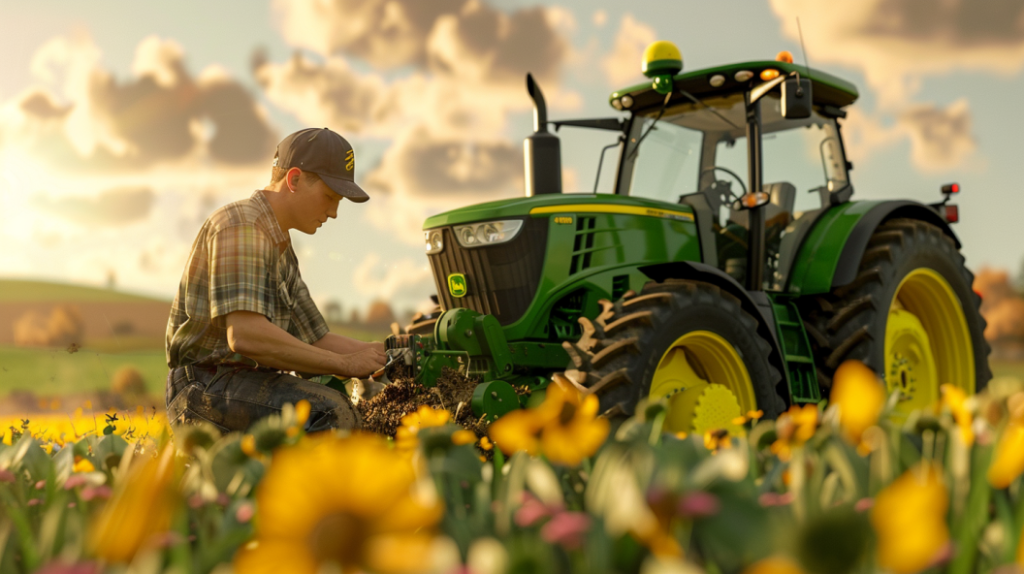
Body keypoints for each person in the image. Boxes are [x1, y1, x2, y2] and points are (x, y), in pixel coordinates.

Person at [164, 127, 386, 433]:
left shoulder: (282, 249)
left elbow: (316, 339)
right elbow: (245, 336)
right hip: (203, 387)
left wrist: (381, 355)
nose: (334, 212)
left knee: (339, 404)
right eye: (329, 197)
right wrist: (348, 366)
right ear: (294, 180)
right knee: (330, 411)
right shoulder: (240, 225)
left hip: (246, 384)